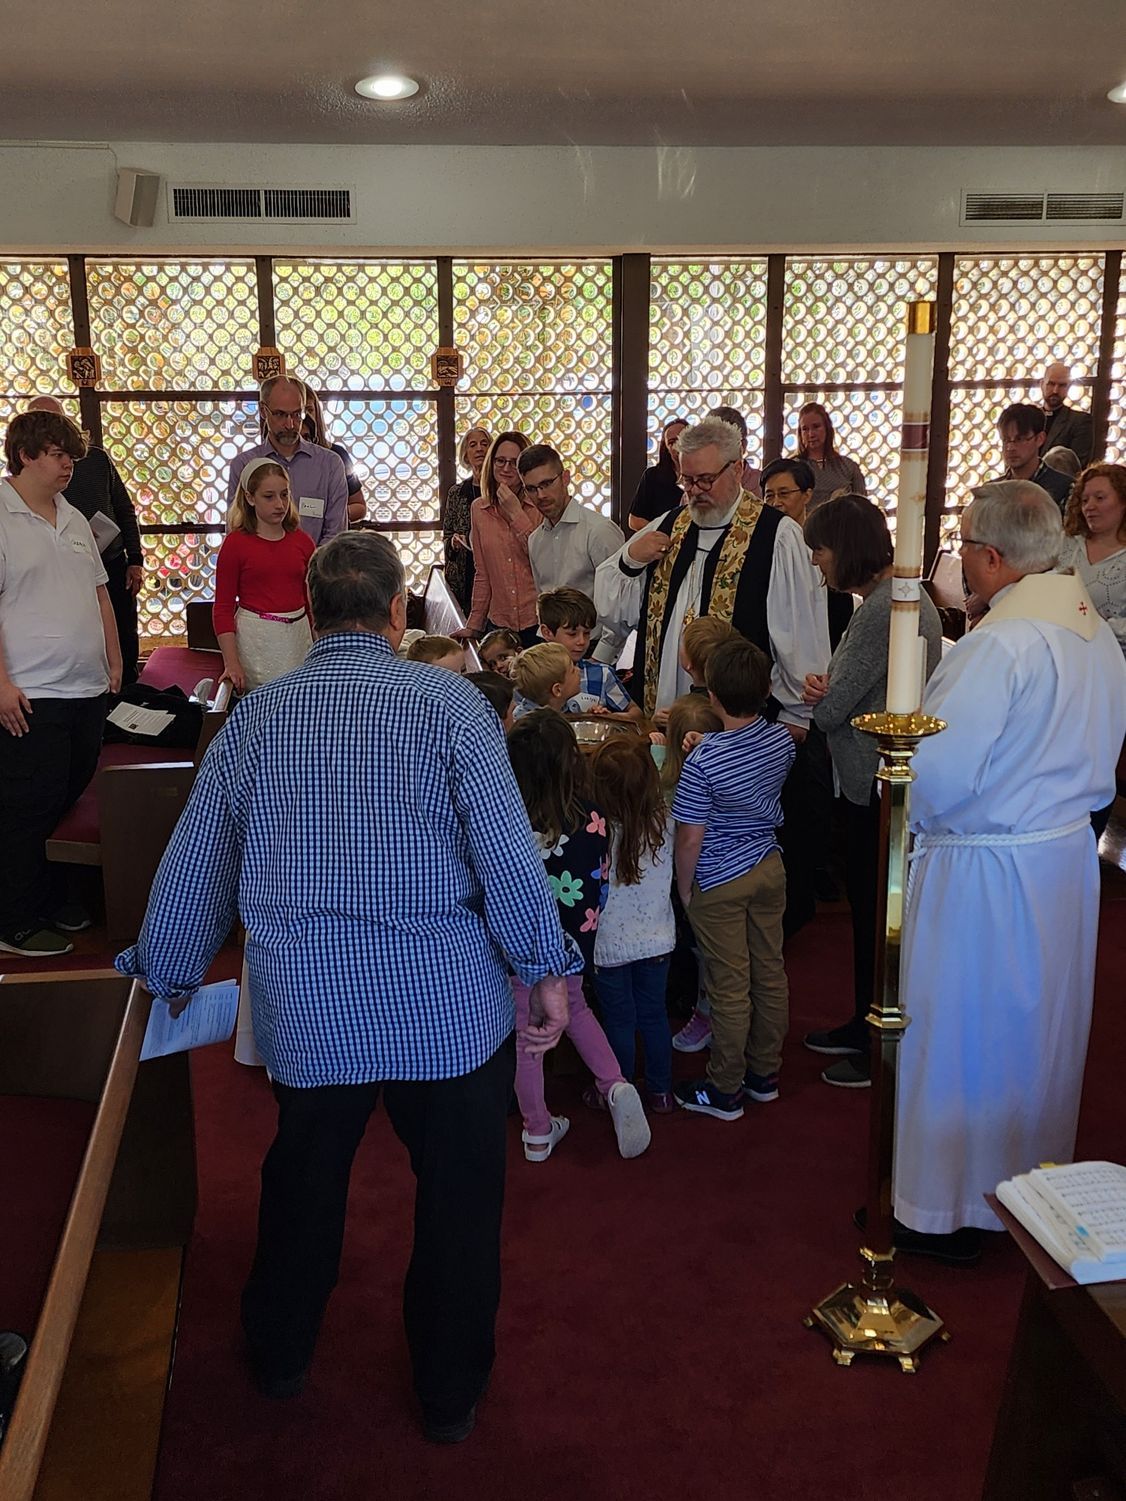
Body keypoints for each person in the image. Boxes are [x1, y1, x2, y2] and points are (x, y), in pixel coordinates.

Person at [116, 530, 577, 1443]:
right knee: (457, 1201)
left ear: (316, 615)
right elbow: (505, 852)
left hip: (311, 1013)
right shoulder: (452, 707)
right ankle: (449, 1396)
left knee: (304, 1181)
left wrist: (165, 965)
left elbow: (202, 852)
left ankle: (281, 1355)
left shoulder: (260, 716)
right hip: (444, 1012)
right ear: (399, 611)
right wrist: (545, 969)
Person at [889, 481, 1126, 1265]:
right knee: (1038, 1036)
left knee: (962, 1031)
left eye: (963, 547)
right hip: (1061, 861)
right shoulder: (1095, 632)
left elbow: (941, 772)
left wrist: (901, 792)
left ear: (991, 557)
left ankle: (942, 1206)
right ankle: (1022, 1197)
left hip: (985, 873)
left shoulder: (1001, 643)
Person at [595, 415, 829, 933]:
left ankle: (730, 929)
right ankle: (678, 922)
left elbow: (800, 631)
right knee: (677, 821)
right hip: (669, 709)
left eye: (705, 479)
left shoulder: (776, 535)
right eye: (687, 479)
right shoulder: (670, 525)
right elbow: (609, 602)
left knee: (731, 838)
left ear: (739, 469)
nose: (695, 491)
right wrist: (632, 557)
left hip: (743, 724)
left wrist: (797, 712)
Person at [799, 494, 942, 1088]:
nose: (815, 563)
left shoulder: (885, 607)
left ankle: (879, 1034)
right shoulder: (889, 600)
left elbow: (834, 706)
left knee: (878, 915)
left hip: (880, 781)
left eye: (821, 550)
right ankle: (865, 1022)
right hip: (875, 775)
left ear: (849, 549)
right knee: (871, 910)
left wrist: (820, 697)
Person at [0, 409, 122, 958]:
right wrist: (0, 683)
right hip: (31, 691)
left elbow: (100, 594)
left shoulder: (71, 515)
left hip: (85, 687)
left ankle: (50, 898)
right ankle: (16, 920)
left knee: (66, 798)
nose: (68, 464)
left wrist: (115, 661)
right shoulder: (2, 515)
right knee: (28, 804)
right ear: (25, 455)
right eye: (56, 453)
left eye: (71, 454)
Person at [506, 709, 651, 1162]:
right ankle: (615, 1084)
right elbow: (599, 882)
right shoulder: (591, 816)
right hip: (573, 940)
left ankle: (537, 1128)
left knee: (527, 1035)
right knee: (578, 1012)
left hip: (518, 946)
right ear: (572, 759)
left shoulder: (506, 819)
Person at [671, 638, 796, 1120]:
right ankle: (764, 1074)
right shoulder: (782, 739)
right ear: (767, 689)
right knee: (769, 970)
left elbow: (689, 837)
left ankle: (724, 1088)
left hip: (720, 878)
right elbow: (745, 766)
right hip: (768, 865)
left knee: (728, 984)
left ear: (713, 697)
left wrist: (685, 888)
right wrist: (714, 747)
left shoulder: (704, 761)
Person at [26, 396, 144, 685]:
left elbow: (125, 510)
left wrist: (136, 561)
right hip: (66, 573)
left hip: (112, 562)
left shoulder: (97, 460)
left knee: (124, 636)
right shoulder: (29, 481)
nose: (65, 464)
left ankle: (128, 698)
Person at [589, 737, 676, 1113]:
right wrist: (654, 747)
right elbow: (645, 773)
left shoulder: (595, 833)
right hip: (657, 941)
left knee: (619, 1021)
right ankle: (660, 1092)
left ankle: (619, 1091)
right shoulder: (665, 821)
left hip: (609, 946)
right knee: (655, 1016)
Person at [657, 693, 723, 1055]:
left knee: (705, 955)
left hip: (694, 882)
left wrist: (684, 891)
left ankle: (706, 1015)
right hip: (725, 873)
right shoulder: (728, 774)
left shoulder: (672, 786)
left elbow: (683, 842)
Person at [213, 459, 315, 695]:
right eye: (269, 497)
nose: (279, 504)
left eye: (284, 495)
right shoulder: (236, 545)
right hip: (255, 643)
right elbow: (223, 608)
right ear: (250, 498)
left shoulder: (302, 542)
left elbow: (312, 602)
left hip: (299, 639)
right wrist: (231, 662)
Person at [520, 443, 624, 662]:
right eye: (531, 489)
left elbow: (622, 603)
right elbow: (544, 600)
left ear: (565, 478)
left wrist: (600, 659)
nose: (541, 495)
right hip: (553, 651)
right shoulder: (535, 540)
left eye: (547, 484)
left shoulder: (598, 530)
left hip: (593, 649)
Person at [227, 375, 348, 545]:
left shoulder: (329, 464)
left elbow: (336, 534)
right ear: (263, 411)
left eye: (297, 414)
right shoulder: (244, 465)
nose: (290, 424)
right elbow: (236, 530)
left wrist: (309, 566)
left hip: (316, 567)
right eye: (280, 415)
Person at [460, 431, 540, 647]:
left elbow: (542, 561)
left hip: (539, 622)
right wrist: (474, 625)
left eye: (514, 463)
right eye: (500, 461)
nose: (506, 469)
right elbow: (483, 573)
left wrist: (516, 514)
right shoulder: (479, 509)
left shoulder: (539, 505)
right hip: (499, 624)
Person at [536, 586, 640, 719]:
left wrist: (608, 717)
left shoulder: (602, 674)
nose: (581, 641)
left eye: (586, 633)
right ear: (547, 632)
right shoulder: (531, 675)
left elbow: (635, 712)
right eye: (572, 634)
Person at [1057, 462, 1126, 657]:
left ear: (1123, 501)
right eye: (1085, 500)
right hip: (1064, 654)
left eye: (1100, 498)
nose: (1090, 507)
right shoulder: (1067, 544)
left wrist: (1095, 626)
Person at [300, 387, 366, 526]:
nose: (303, 418)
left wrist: (334, 513)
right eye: (296, 412)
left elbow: (359, 507)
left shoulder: (336, 455)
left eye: (309, 410)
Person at [442, 426, 490, 614]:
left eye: (484, 444)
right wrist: (453, 542)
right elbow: (446, 535)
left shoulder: (502, 490)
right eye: (473, 445)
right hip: (466, 570)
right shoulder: (456, 492)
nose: (479, 449)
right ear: (465, 454)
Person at [993, 402, 1071, 512]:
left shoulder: (1064, 488)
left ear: (1040, 439)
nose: (1010, 447)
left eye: (1019, 439)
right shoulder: (993, 490)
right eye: (1006, 440)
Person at [795, 402, 867, 512]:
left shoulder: (848, 467)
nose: (811, 434)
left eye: (816, 427)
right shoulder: (793, 467)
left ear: (827, 428)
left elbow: (863, 509)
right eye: (805, 429)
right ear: (800, 433)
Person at [628, 418, 686, 532]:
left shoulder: (707, 474)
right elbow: (634, 520)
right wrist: (664, 532)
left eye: (683, 438)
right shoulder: (653, 476)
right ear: (666, 448)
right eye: (672, 441)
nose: (678, 445)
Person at [1041, 360, 1094, 467]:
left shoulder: (1079, 422)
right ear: (1042, 384)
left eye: (1062, 385)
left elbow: (1076, 466)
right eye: (1051, 384)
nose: (1055, 390)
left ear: (1068, 387)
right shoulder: (1028, 419)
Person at [510, 642, 580, 718]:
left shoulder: (569, 707)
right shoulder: (527, 725)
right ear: (557, 690)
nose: (578, 670)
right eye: (573, 670)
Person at [709, 404, 760, 494]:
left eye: (725, 444)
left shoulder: (762, 486)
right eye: (710, 442)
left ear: (743, 445)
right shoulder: (696, 489)